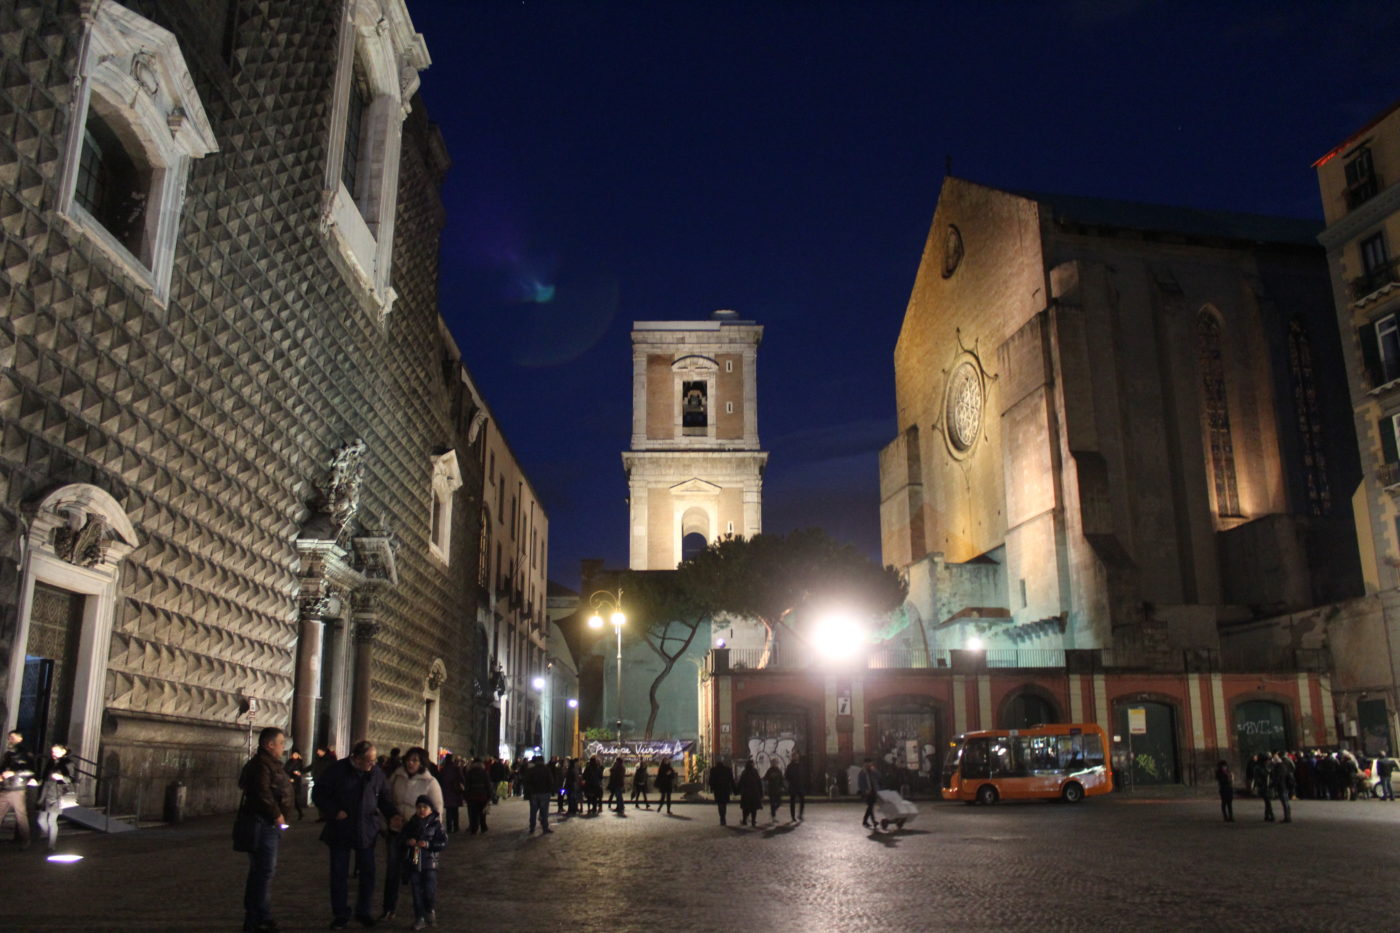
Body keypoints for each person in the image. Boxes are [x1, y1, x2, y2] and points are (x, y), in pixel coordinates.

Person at [312, 739, 397, 930]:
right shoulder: (336, 770)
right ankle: (340, 914)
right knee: (339, 874)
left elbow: (384, 798)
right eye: (369, 761)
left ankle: (363, 911)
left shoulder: (375, 773)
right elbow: (319, 794)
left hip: (366, 829)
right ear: (356, 759)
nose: (373, 764)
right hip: (341, 828)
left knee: (368, 873)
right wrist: (333, 811)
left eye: (374, 760)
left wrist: (393, 815)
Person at [238, 726, 292, 933]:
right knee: (263, 872)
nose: (283, 747)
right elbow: (262, 793)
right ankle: (256, 918)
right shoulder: (262, 765)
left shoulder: (267, 763)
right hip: (263, 824)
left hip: (265, 824)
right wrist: (277, 815)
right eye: (280, 743)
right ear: (270, 745)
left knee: (261, 872)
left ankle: (259, 914)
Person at [383, 747, 443, 921]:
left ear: (422, 763)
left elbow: (437, 810)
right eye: (409, 759)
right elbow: (387, 800)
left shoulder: (430, 783)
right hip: (397, 832)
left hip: (418, 837)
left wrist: (430, 834)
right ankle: (388, 908)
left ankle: (424, 909)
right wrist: (388, 820)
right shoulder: (396, 777)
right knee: (392, 871)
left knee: (418, 873)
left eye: (415, 760)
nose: (411, 763)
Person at [402, 794, 447, 931]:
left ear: (431, 809)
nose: (421, 809)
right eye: (419, 807)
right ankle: (419, 917)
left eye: (425, 807)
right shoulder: (411, 823)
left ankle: (429, 909)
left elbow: (443, 842)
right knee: (416, 890)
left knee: (429, 889)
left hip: (430, 861)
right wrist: (408, 841)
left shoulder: (436, 825)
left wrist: (428, 844)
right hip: (415, 859)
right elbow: (402, 837)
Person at [37, 743, 75, 851]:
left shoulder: (68, 763)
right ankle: (50, 837)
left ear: (63, 752)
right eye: (53, 752)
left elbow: (71, 779)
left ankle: (51, 844)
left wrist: (62, 777)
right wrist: (38, 782)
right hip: (46, 793)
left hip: (57, 794)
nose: (54, 754)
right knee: (41, 820)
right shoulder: (50, 762)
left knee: (51, 820)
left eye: (56, 752)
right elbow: (44, 776)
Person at [0, 730, 33, 848]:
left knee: (20, 816)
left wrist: (14, 773)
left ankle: (25, 841)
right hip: (5, 787)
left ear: (20, 739)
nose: (10, 740)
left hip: (17, 788)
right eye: (9, 738)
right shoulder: (8, 754)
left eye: (12, 738)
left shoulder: (25, 753)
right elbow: (3, 767)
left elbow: (30, 771)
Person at [523, 755, 556, 834]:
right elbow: (550, 781)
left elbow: (526, 782)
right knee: (544, 811)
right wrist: (550, 790)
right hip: (544, 793)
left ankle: (532, 827)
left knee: (533, 811)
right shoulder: (546, 770)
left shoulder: (531, 770)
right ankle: (545, 827)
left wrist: (530, 790)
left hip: (534, 793)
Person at [463, 757, 492, 833]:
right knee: (482, 812)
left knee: (473, 813)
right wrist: (489, 795)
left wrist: (466, 795)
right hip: (483, 795)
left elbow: (467, 785)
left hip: (472, 796)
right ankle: (483, 826)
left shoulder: (470, 773)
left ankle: (474, 828)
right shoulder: (484, 772)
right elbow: (488, 784)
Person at [438, 754, 464, 833]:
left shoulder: (443, 769)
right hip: (455, 791)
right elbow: (461, 778)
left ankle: (449, 827)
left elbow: (440, 780)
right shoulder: (456, 768)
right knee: (455, 810)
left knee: (449, 810)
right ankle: (456, 826)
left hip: (446, 791)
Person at [310, 745, 336, 821]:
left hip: (326, 782)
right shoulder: (318, 759)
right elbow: (311, 766)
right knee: (318, 798)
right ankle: (322, 816)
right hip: (318, 780)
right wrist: (301, 771)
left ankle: (327, 815)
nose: (318, 752)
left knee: (325, 799)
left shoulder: (330, 759)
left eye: (319, 751)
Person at [708, 757, 735, 826]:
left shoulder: (713, 770)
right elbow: (731, 780)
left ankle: (722, 817)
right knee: (724, 803)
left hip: (718, 790)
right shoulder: (727, 770)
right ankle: (723, 816)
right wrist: (733, 789)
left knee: (720, 803)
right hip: (725, 789)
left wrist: (712, 788)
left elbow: (711, 780)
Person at [737, 759, 763, 827]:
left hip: (746, 793)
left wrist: (737, 791)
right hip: (754, 792)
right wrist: (761, 793)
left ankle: (744, 820)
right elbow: (759, 783)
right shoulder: (755, 772)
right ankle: (753, 821)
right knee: (753, 808)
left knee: (745, 808)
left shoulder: (744, 772)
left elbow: (741, 783)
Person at [1269, 752, 1293, 823]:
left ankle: (1287, 817)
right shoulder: (1283, 766)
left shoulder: (1279, 767)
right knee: (1286, 802)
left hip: (1282, 786)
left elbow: (1278, 778)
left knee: (1285, 802)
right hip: (1285, 786)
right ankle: (1288, 816)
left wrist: (1272, 785)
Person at [858, 758, 881, 829]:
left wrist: (875, 771)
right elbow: (860, 783)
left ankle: (866, 821)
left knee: (870, 806)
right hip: (867, 792)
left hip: (873, 790)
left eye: (870, 763)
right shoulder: (862, 772)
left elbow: (879, 777)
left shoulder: (872, 771)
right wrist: (864, 790)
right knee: (870, 806)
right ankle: (872, 821)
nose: (869, 765)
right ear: (865, 764)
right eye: (868, 763)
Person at [284, 748, 307, 821]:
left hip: (296, 782)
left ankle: (300, 813)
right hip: (289, 781)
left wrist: (298, 774)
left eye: (296, 754)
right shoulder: (289, 762)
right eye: (294, 754)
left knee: (295, 799)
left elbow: (302, 771)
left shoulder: (300, 762)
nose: (295, 755)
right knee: (289, 799)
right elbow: (285, 770)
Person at [785, 751, 807, 821]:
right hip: (793, 786)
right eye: (794, 756)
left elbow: (804, 774)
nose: (796, 757)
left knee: (802, 800)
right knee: (792, 802)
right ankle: (793, 816)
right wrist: (791, 780)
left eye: (796, 756)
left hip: (800, 786)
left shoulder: (801, 765)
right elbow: (787, 776)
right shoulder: (790, 766)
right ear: (792, 757)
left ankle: (800, 814)